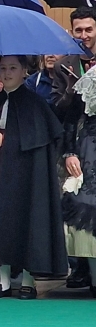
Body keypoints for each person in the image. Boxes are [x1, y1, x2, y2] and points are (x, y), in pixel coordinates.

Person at [0, 56, 67, 298]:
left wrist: (6, 140)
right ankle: (4, 280)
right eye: (3, 68)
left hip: (27, 178)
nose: (7, 73)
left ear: (24, 71)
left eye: (12, 68)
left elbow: (40, 139)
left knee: (29, 223)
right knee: (0, 224)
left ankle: (29, 280)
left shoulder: (34, 103)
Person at [63, 65, 96, 296]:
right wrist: (69, 153)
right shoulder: (90, 80)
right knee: (89, 214)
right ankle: (94, 278)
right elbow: (70, 122)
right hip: (90, 153)